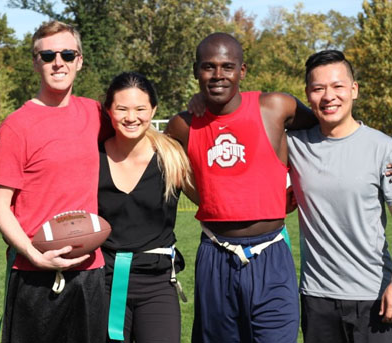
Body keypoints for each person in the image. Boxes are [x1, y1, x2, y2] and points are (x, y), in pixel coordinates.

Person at [166, 32, 315, 343]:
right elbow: (171, 172)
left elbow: (327, 126)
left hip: (271, 254)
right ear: (196, 71)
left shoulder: (276, 107)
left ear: (242, 71)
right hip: (215, 254)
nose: (218, 75)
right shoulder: (182, 125)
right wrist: (205, 197)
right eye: (208, 67)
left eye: (227, 67)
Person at [0, 20, 107, 343]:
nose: (59, 62)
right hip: (34, 275)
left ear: (79, 61)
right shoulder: (17, 126)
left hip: (89, 270)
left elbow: (135, 125)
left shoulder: (96, 114)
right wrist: (32, 253)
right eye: (48, 55)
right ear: (35, 62)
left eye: (68, 54)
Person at [287, 50, 392, 342]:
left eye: (338, 86)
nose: (328, 96)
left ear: (354, 90)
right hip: (316, 297)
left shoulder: (383, 149)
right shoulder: (294, 145)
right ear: (307, 95)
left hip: (374, 294)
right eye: (318, 88)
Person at [99, 72, 197, 343]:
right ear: (109, 110)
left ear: (153, 109)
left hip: (157, 284)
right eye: (122, 108)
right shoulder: (92, 157)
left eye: (140, 108)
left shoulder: (172, 157)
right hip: (103, 282)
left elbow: (211, 199)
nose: (131, 117)